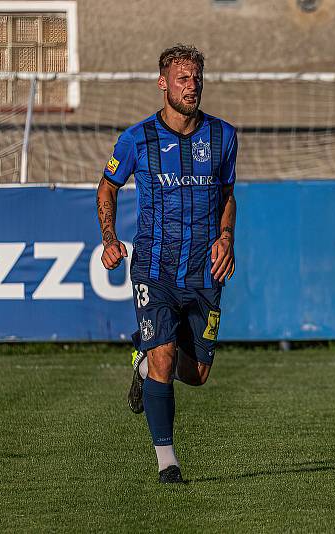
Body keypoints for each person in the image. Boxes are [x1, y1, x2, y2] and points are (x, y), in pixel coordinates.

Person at [96, 44, 237, 484]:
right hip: (154, 270)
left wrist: (226, 237)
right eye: (182, 78)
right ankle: (167, 463)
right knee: (164, 355)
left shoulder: (223, 136)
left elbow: (228, 194)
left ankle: (142, 364)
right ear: (163, 83)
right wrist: (109, 238)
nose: (191, 86)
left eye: (196, 78)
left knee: (196, 374)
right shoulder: (136, 139)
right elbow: (107, 187)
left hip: (204, 272)